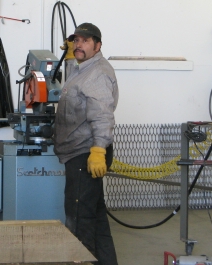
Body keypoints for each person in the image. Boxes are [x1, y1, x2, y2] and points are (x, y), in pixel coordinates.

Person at [54, 22, 119, 265]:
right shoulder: (82, 68)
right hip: (80, 153)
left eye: (85, 41)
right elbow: (75, 82)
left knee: (79, 220)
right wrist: (72, 56)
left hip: (87, 154)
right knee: (95, 217)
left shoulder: (98, 73)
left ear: (98, 45)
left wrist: (98, 151)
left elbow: (102, 115)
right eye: (76, 40)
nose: (79, 44)